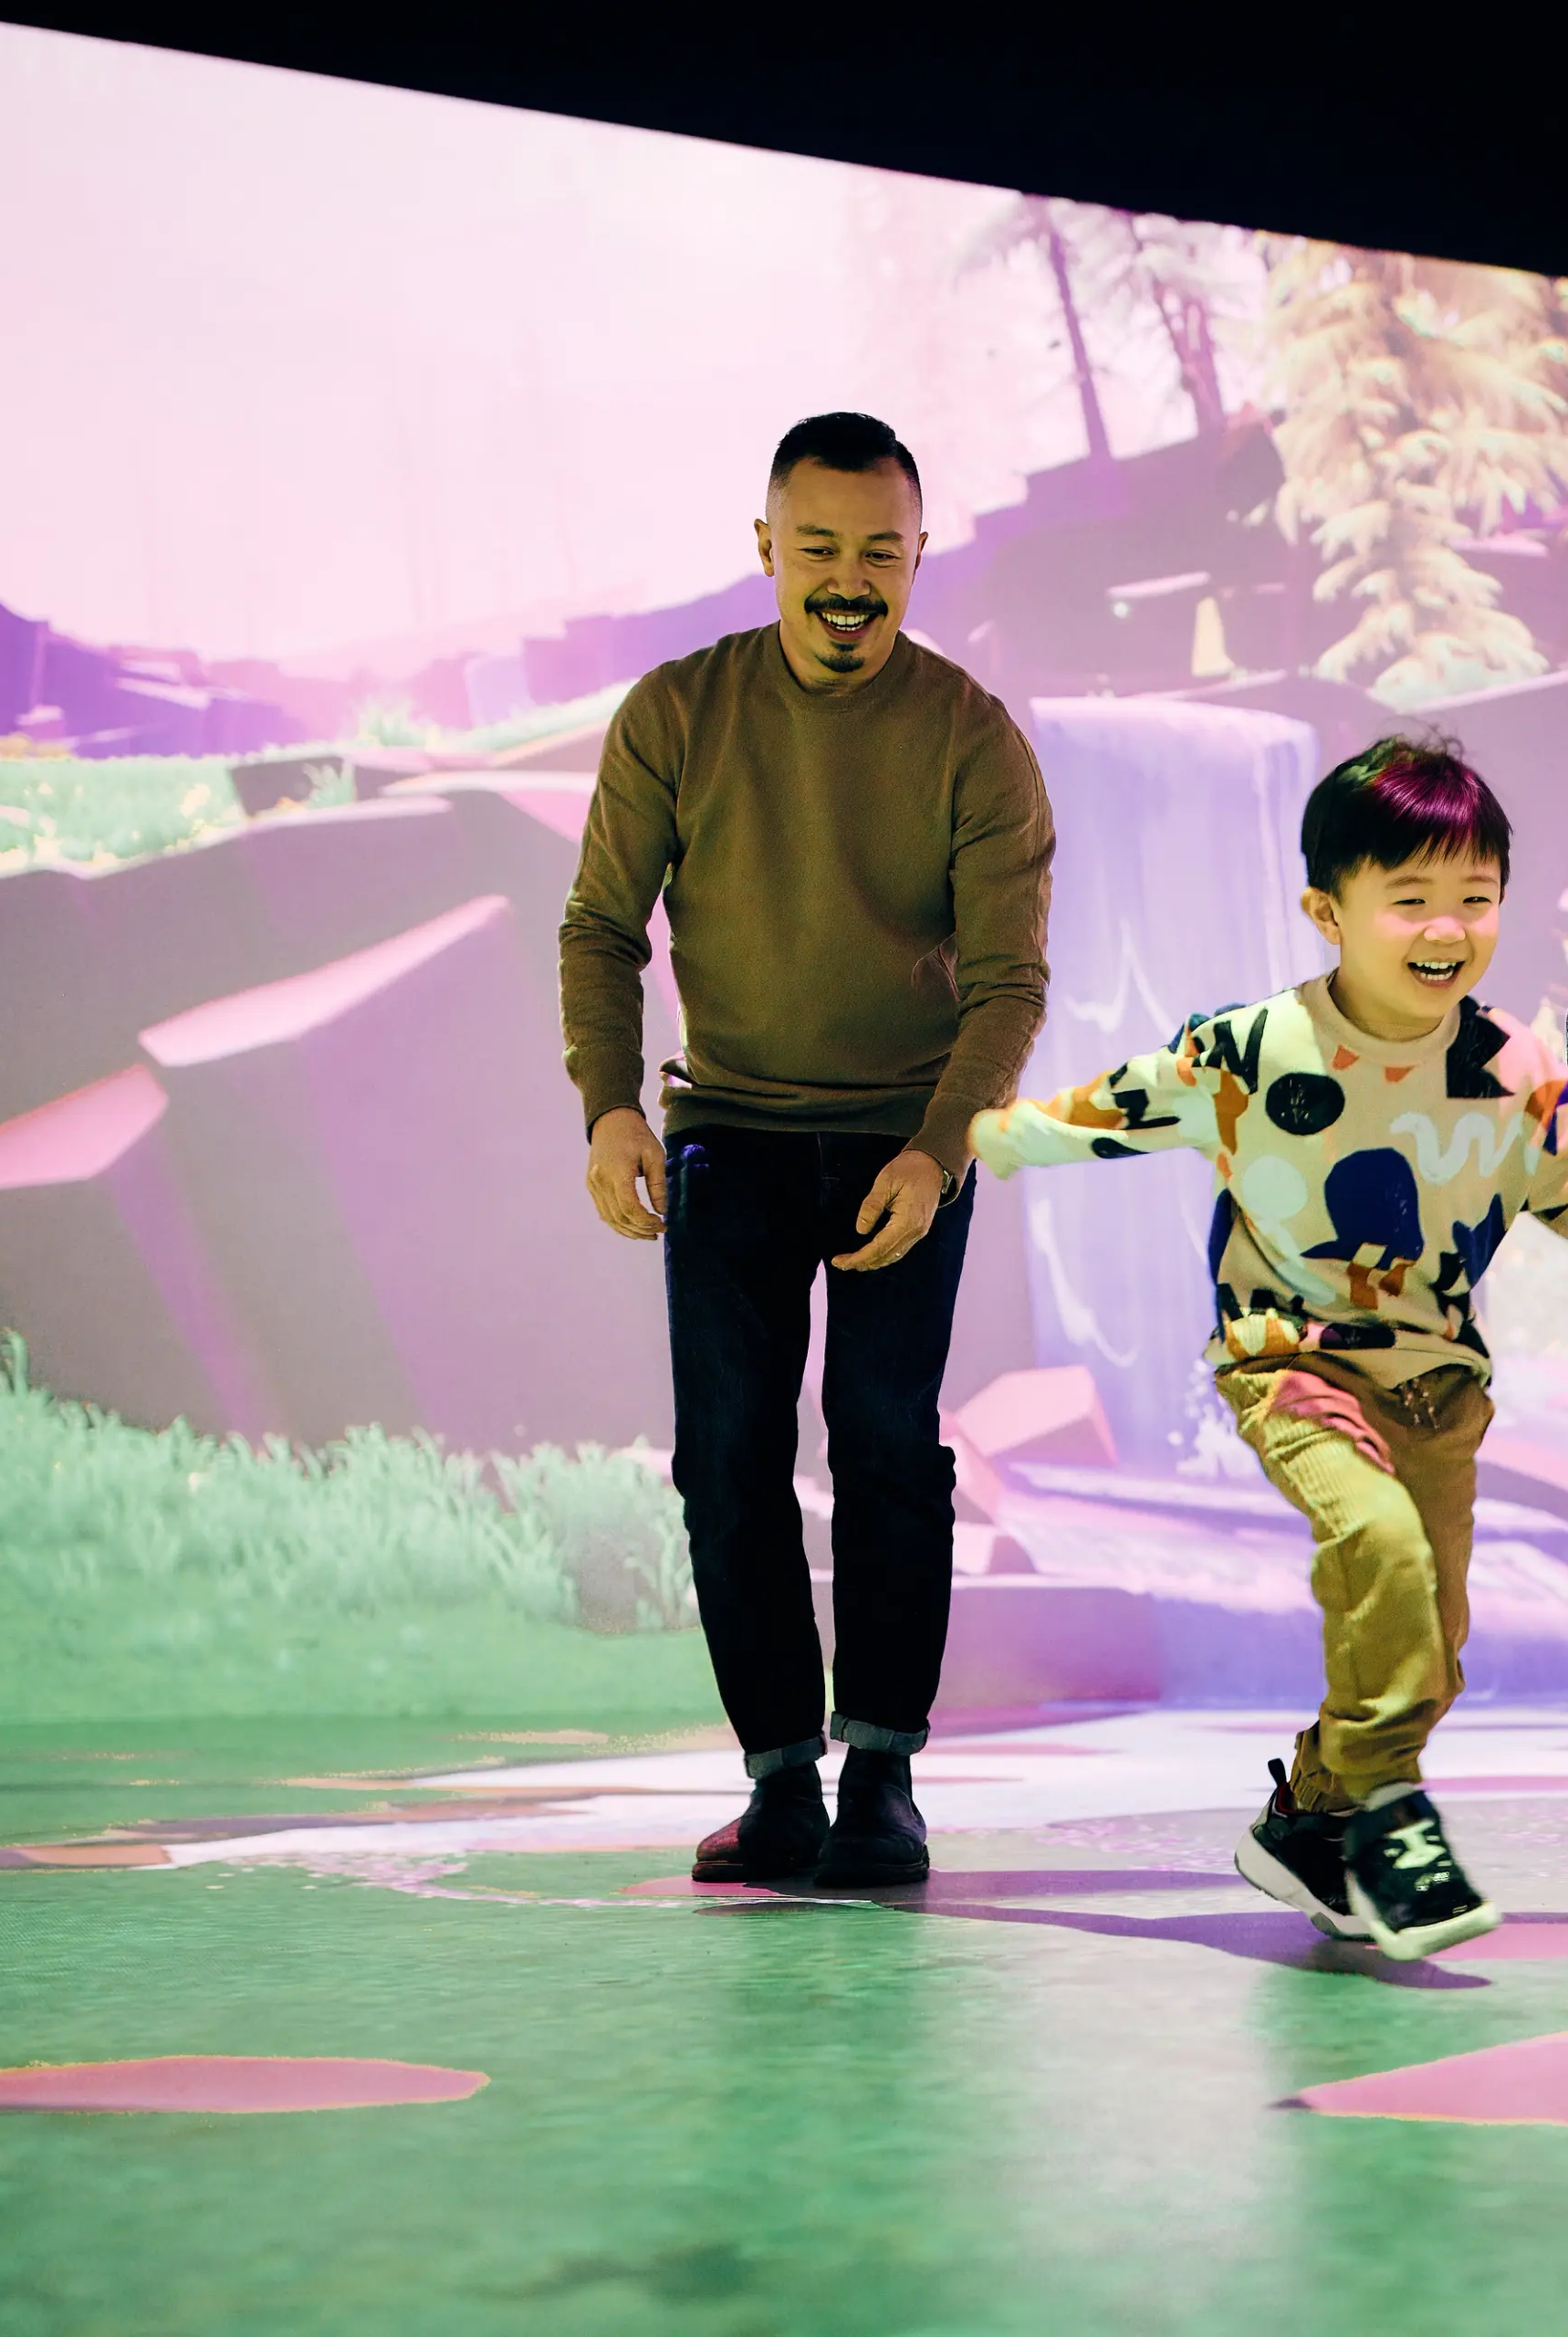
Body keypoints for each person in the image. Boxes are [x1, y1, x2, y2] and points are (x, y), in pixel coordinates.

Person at [970, 740, 1568, 1959]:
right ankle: (1390, 1820)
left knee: (1428, 1643)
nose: (1446, 927)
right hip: (1294, 1364)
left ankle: (1313, 1813)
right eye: (1410, 898)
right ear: (1329, 912)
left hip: (1437, 1391)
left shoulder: (1510, 1072)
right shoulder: (1254, 1052)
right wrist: (1004, 1136)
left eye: (1474, 898)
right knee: (1380, 1548)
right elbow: (1121, 1104)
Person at [560, 411, 1055, 1892]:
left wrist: (938, 1150)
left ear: (917, 558)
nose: (850, 580)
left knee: (889, 1443)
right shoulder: (676, 712)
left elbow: (1007, 983)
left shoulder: (972, 737)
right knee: (725, 1457)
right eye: (820, 548)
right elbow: (601, 926)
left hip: (908, 1138)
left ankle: (885, 1777)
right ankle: (780, 1781)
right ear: (766, 548)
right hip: (731, 1133)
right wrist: (608, 1106)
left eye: (881, 553)